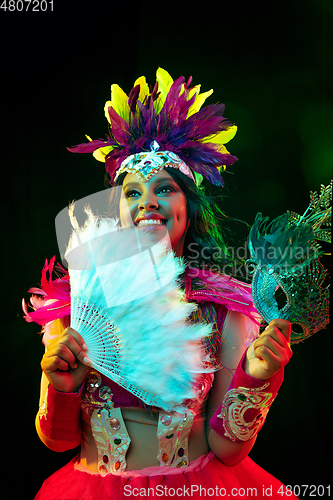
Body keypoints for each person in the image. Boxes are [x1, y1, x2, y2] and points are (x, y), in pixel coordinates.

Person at [25, 68, 298, 499]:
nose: (148, 201)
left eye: (165, 189)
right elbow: (57, 441)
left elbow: (228, 451)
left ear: (188, 208)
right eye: (132, 192)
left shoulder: (222, 311)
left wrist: (258, 376)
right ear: (117, 212)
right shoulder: (75, 306)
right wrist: (62, 385)